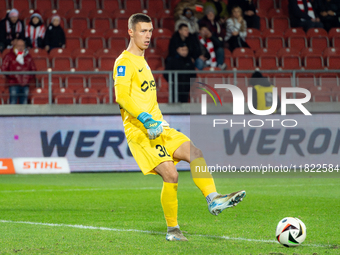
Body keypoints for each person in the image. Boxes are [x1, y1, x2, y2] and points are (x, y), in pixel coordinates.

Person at [113, 13, 246, 241]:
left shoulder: (143, 61)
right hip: (140, 131)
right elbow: (122, 96)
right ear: (131, 32)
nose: (148, 35)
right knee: (171, 175)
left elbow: (145, 98)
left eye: (150, 31)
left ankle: (213, 198)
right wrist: (145, 119)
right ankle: (173, 230)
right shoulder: (123, 62)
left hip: (159, 127)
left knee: (195, 153)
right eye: (143, 30)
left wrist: (157, 120)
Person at [1, 39, 37, 104]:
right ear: (15, 46)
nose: (20, 47)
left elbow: (33, 69)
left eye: (22, 46)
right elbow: (3, 68)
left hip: (25, 83)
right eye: (19, 45)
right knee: (13, 102)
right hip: (13, 83)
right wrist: (13, 76)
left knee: (24, 103)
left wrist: (27, 77)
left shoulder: (28, 56)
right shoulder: (9, 56)